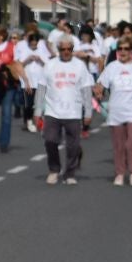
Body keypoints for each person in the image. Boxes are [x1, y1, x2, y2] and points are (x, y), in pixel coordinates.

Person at [95, 37, 132, 187]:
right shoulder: (112, 67)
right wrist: (99, 91)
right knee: (119, 145)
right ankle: (120, 173)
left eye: (126, 49)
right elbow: (101, 85)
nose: (123, 52)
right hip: (116, 111)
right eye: (120, 49)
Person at [37, 34, 94, 185]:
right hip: (52, 111)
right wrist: (37, 111)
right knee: (50, 140)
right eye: (63, 49)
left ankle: (69, 173)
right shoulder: (50, 64)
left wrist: (88, 111)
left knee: (73, 145)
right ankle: (54, 169)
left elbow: (86, 89)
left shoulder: (79, 65)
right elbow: (41, 88)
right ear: (58, 49)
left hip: (73, 111)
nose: (66, 52)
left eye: (69, 49)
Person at [15, 25, 52, 134]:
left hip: (40, 81)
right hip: (28, 81)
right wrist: (28, 59)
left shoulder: (42, 50)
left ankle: (38, 121)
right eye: (32, 42)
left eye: (35, 42)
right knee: (28, 103)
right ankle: (28, 121)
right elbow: (19, 64)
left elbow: (48, 64)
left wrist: (40, 59)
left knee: (39, 103)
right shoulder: (24, 50)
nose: (34, 44)